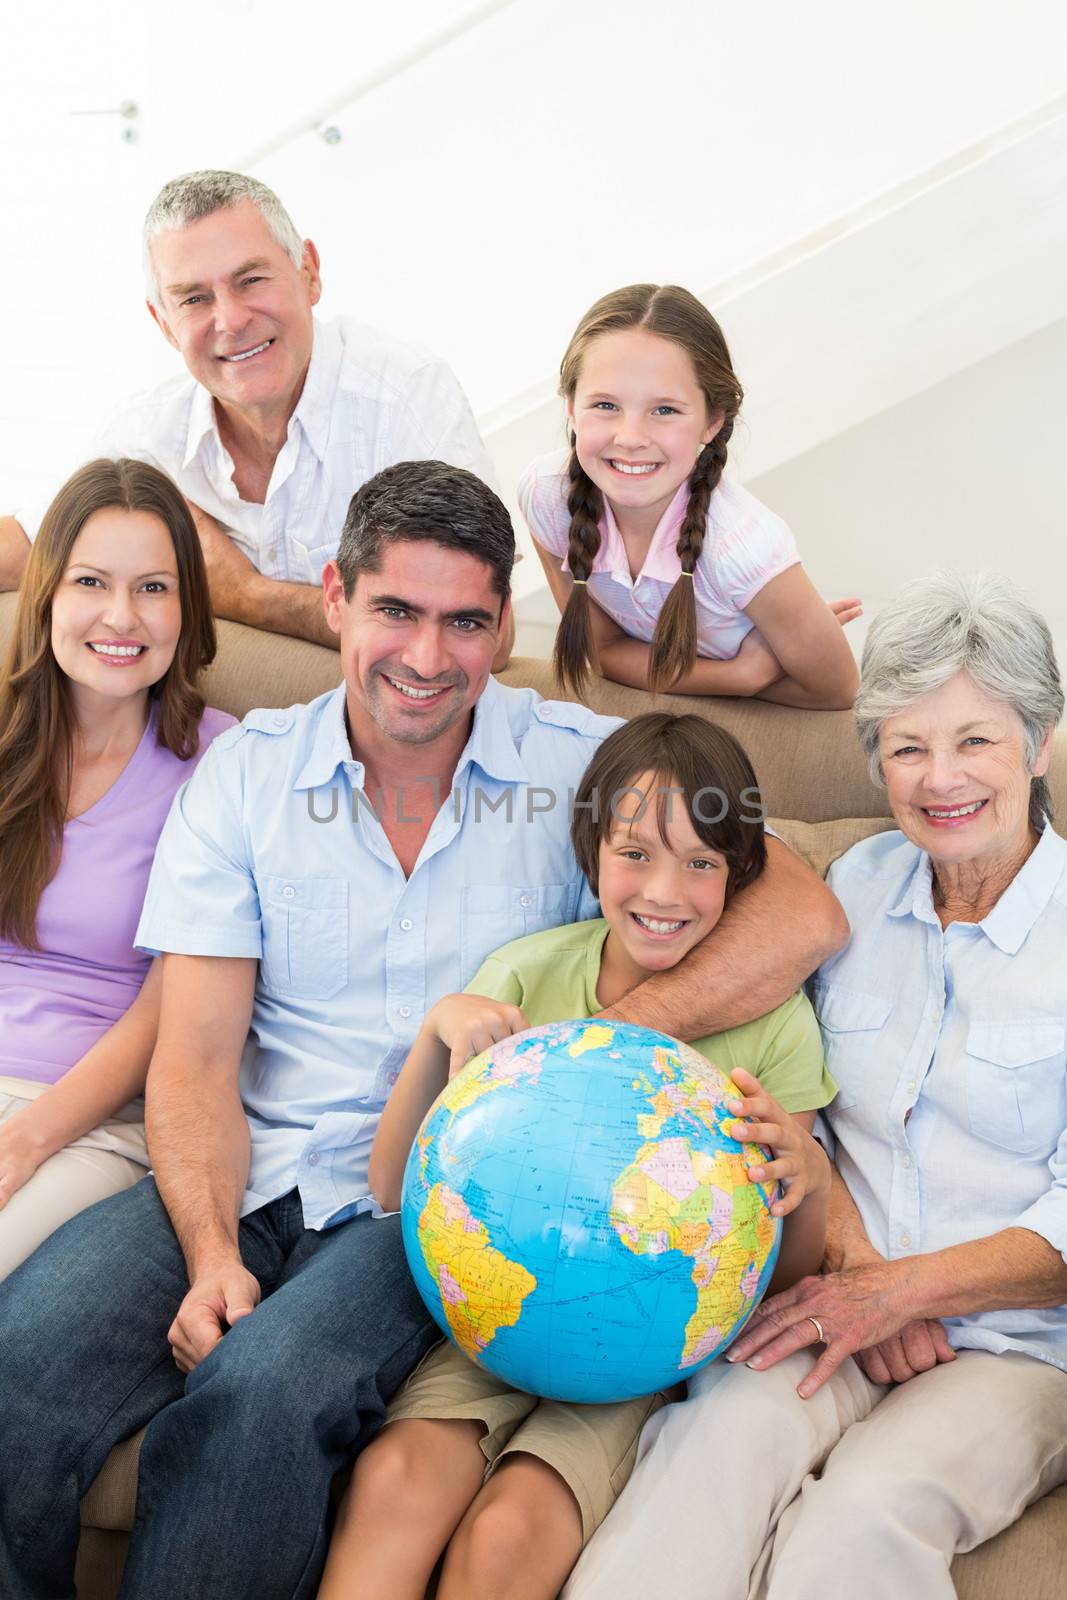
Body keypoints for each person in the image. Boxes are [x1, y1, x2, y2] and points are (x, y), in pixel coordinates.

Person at [0, 461, 845, 1600]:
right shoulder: (247, 777)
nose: (425, 655)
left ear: (502, 628)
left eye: (462, 622)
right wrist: (207, 1257)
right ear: (335, 598)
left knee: (259, 1398)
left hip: (434, 1197)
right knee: (18, 1369)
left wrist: (588, 1055)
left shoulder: (572, 765)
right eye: (394, 609)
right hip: (237, 1172)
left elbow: (803, 902)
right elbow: (195, 1059)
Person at [565, 572, 1067, 1600]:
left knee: (861, 1513)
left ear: (1038, 741)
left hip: (1019, 1351)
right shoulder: (850, 887)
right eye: (905, 745)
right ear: (872, 758)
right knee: (706, 1450)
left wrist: (907, 1291)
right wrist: (858, 1270)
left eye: (974, 739)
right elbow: (800, 1112)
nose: (940, 778)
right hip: (836, 1298)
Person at [318, 712, 835, 1600]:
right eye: (634, 853)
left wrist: (809, 1181)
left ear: (740, 874)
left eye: (701, 862)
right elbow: (390, 1182)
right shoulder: (524, 976)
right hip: (496, 1319)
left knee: (511, 1532)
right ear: (589, 851)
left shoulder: (777, 1024)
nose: (663, 890)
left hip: (643, 1352)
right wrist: (437, 1033)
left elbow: (782, 1276)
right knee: (394, 1476)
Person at [0, 169, 512, 662]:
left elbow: (487, 635)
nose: (231, 319)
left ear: (308, 273)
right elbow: (27, 548)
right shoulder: (144, 436)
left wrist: (246, 593)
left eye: (250, 279)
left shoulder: (404, 397)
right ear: (165, 324)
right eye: (194, 298)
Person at [0, 457, 232, 1280]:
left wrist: (23, 1141)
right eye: (92, 581)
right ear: (49, 594)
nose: (121, 617)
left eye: (154, 588)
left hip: (87, 1118)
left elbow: (169, 1012)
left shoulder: (223, 765)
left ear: (186, 607)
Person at [519, 283, 860, 706]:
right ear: (570, 405)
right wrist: (742, 675)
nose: (630, 437)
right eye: (605, 405)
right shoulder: (548, 498)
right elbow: (601, 652)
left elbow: (837, 689)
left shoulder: (744, 547)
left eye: (665, 410)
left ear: (712, 421)